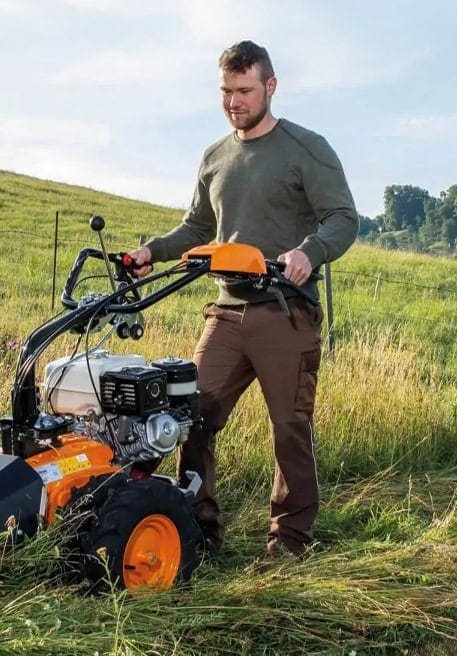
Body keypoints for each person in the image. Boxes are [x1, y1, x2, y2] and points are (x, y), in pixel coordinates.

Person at [125, 40, 359, 559]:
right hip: (227, 312)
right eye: (226, 91)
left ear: (270, 87)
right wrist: (151, 252)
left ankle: (290, 542)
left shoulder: (306, 148)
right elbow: (197, 228)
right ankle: (198, 529)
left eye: (245, 90)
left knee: (290, 429)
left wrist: (309, 252)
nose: (234, 101)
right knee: (191, 416)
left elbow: (344, 218)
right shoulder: (215, 157)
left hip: (285, 311)